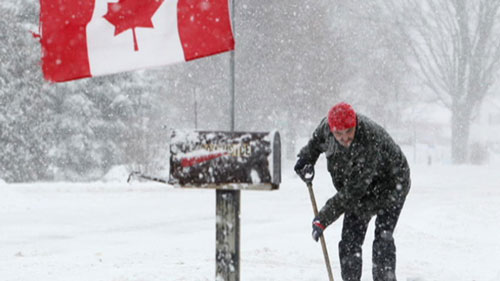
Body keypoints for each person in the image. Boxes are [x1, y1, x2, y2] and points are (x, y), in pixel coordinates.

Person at [294, 102, 411, 281]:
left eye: (349, 130)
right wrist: (304, 160)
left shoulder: (369, 138)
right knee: (350, 242)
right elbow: (314, 145)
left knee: (383, 237)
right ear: (331, 129)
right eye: (339, 133)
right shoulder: (326, 129)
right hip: (360, 186)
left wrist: (323, 219)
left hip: (391, 184)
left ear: (355, 123)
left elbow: (353, 192)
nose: (345, 138)